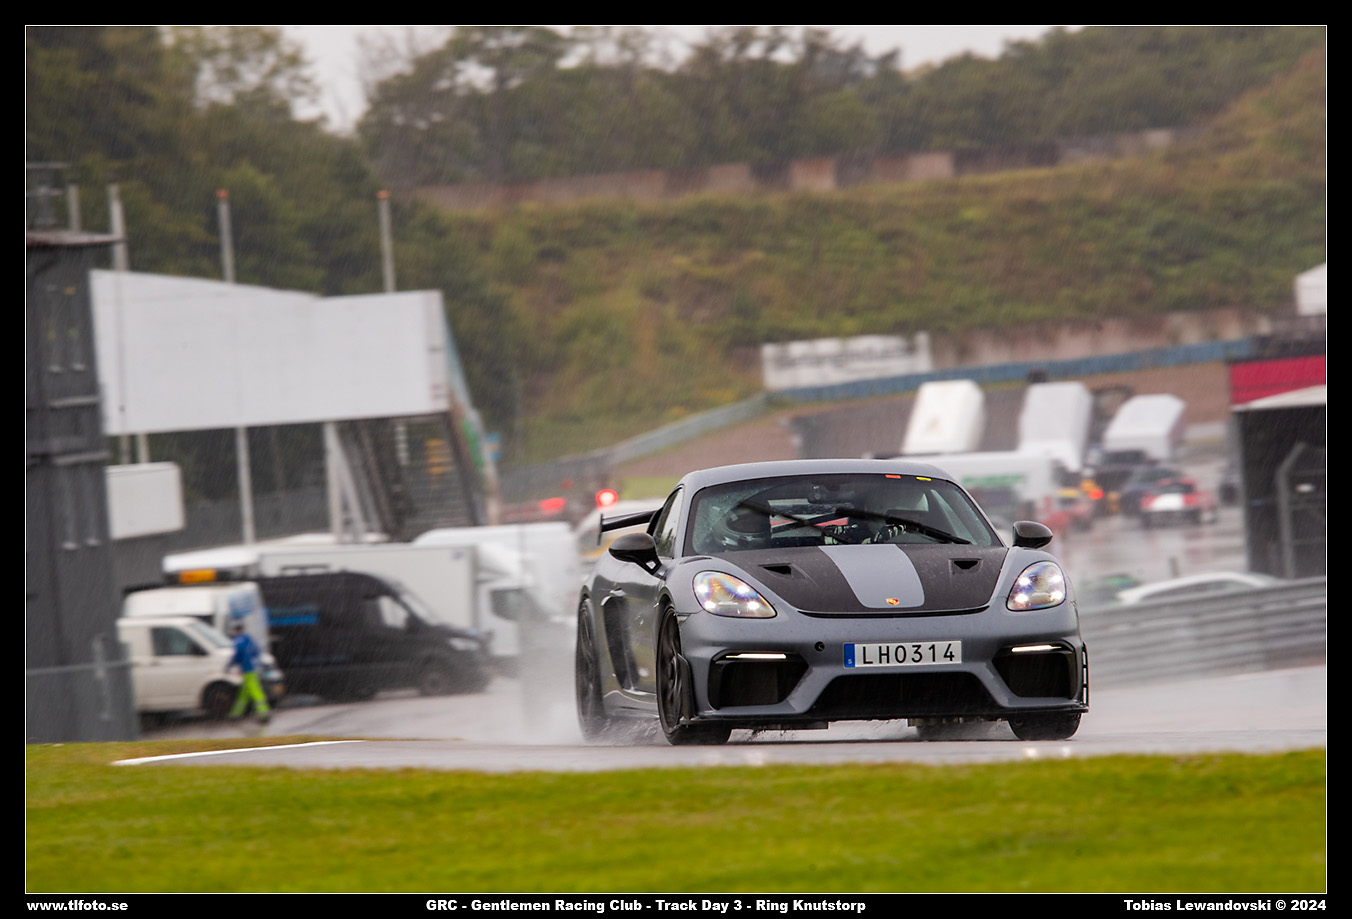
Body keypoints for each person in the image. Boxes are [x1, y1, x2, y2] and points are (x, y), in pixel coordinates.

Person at [227, 622, 271, 724]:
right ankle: (236, 713)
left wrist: (229, 665)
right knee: (244, 693)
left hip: (247, 670)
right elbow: (257, 651)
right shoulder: (249, 639)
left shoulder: (238, 640)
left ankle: (263, 714)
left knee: (255, 691)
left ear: (235, 631)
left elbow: (237, 655)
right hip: (254, 668)